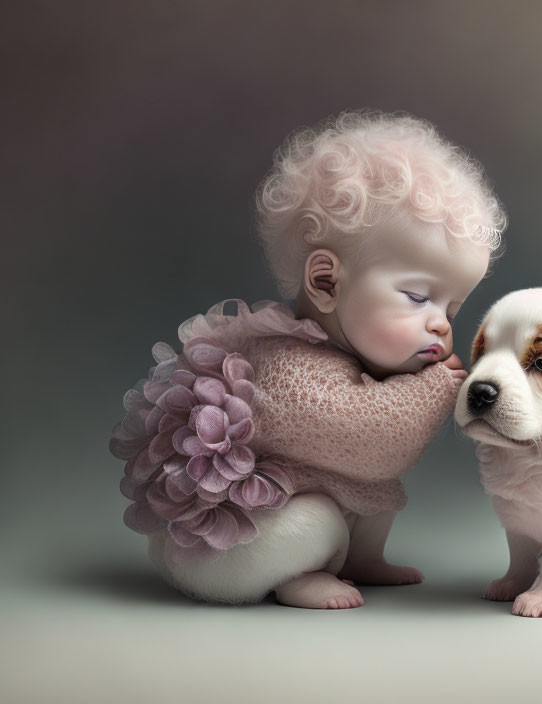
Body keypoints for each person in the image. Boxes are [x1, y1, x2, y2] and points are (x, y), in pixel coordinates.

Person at [110, 110, 507, 608]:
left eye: (452, 307)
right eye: (416, 297)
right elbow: (373, 440)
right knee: (324, 507)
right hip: (221, 549)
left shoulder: (341, 350)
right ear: (326, 282)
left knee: (371, 492)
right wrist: (432, 388)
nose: (441, 324)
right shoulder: (287, 368)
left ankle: (357, 560)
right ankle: (296, 573)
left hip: (279, 507)